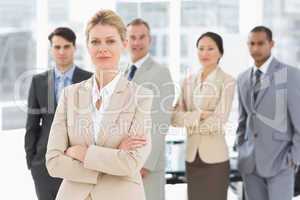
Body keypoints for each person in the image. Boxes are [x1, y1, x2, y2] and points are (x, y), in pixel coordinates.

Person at [46, 10, 153, 200]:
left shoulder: (141, 97)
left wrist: (81, 153)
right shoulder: (70, 95)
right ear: (87, 46)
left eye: (110, 41)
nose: (102, 48)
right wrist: (111, 158)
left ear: (124, 44)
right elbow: (53, 162)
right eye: (95, 41)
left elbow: (131, 163)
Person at [24, 27, 92, 200]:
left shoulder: (89, 80)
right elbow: (32, 125)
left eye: (67, 46)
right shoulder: (38, 81)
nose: (62, 51)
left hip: (79, 163)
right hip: (44, 163)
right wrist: (32, 161)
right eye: (57, 47)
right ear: (51, 49)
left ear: (75, 48)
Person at [235, 26, 300, 200]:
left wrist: (294, 157)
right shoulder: (242, 79)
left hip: (280, 162)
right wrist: (241, 148)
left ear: (271, 44)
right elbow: (242, 121)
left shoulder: (290, 74)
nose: (255, 48)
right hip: (250, 163)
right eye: (251, 44)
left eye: (261, 43)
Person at [171, 32, 235, 200]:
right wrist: (201, 114)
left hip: (216, 159)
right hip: (192, 158)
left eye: (210, 48)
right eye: (201, 49)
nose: (204, 53)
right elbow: (174, 118)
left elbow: (219, 121)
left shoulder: (227, 81)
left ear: (220, 52)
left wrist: (190, 119)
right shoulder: (187, 81)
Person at [124, 18, 174, 200]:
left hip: (147, 166)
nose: (137, 42)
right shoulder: (123, 72)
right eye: (132, 37)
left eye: (142, 37)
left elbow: (161, 120)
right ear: (125, 41)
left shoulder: (160, 72)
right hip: (124, 162)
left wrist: (146, 162)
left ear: (150, 40)